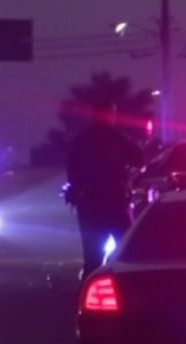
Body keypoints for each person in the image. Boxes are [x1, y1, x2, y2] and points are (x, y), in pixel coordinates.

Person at [66, 99, 144, 278]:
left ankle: (89, 291)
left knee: (92, 256)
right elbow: (139, 159)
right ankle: (127, 285)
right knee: (126, 249)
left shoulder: (81, 140)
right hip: (114, 201)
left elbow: (72, 172)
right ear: (110, 115)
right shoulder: (118, 138)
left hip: (89, 204)